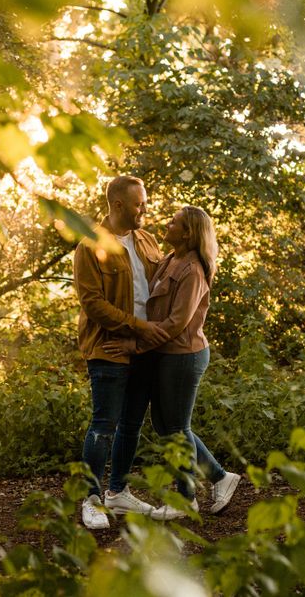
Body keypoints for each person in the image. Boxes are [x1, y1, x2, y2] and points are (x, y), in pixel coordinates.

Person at [106, 206, 240, 520]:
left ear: (188, 232)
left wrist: (135, 343)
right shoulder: (169, 259)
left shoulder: (193, 270)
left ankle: (186, 499)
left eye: (174, 222)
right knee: (167, 426)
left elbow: (176, 323)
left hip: (184, 356)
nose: (168, 224)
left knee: (177, 428)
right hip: (167, 355)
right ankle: (221, 477)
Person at [72, 175, 169, 529]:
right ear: (117, 205)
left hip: (144, 350)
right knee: (104, 425)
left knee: (131, 425)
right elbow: (93, 304)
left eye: (144, 201)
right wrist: (138, 326)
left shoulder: (146, 240)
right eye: (139, 203)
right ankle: (92, 499)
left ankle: (118, 492)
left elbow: (160, 286)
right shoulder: (89, 246)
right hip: (109, 349)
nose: (145, 208)